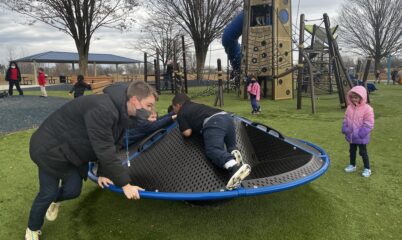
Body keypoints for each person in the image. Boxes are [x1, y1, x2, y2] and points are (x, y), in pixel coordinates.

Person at [25, 81, 157, 240]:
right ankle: (33, 229)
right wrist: (125, 184)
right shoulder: (103, 108)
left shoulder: (123, 113)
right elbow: (104, 150)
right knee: (48, 192)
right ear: (135, 100)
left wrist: (103, 173)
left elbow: (113, 145)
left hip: (72, 151)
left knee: (73, 190)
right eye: (149, 105)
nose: (151, 111)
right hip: (49, 149)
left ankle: (54, 200)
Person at [171, 93, 251, 190]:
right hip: (227, 118)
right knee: (231, 146)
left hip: (214, 122)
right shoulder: (196, 105)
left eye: (173, 108)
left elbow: (187, 133)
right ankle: (234, 154)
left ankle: (234, 167)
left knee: (213, 150)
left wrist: (181, 124)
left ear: (178, 105)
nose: (174, 111)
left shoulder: (181, 113)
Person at [342, 86, 374, 178]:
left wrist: (361, 134)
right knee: (352, 151)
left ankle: (367, 168)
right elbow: (346, 119)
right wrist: (345, 128)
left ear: (362, 97)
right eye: (352, 97)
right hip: (351, 136)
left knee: (363, 152)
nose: (353, 99)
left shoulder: (368, 109)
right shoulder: (349, 108)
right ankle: (352, 165)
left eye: (356, 97)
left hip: (361, 137)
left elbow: (369, 123)